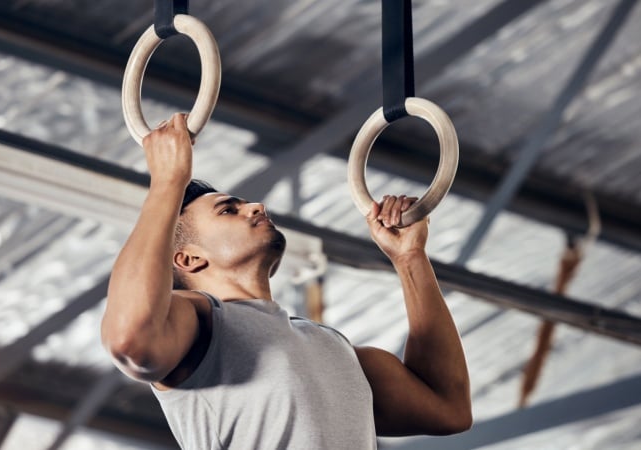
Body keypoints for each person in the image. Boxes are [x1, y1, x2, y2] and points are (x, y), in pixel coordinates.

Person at [101, 113, 471, 449]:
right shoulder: (199, 322)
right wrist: (167, 182)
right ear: (189, 258)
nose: (257, 206)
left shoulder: (330, 346)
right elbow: (130, 337)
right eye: (229, 210)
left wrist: (410, 259)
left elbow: (448, 406)